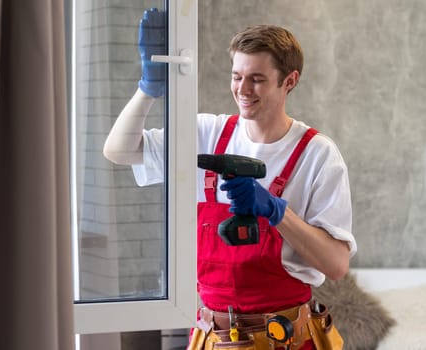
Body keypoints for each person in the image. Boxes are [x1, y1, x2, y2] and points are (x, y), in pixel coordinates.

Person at [103, 8, 356, 350]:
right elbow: (119, 151)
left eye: (257, 78)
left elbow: (337, 264)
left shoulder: (317, 155)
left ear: (290, 81)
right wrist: (147, 88)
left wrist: (278, 212)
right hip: (213, 338)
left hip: (287, 340)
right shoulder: (207, 133)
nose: (243, 89)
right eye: (237, 76)